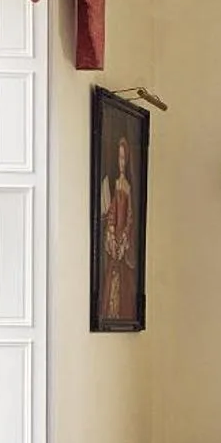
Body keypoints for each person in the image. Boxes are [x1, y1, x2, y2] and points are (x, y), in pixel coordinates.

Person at [100, 133, 136, 322]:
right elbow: (112, 213)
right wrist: (111, 234)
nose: (121, 162)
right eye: (119, 157)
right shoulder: (114, 184)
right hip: (114, 239)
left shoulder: (127, 187)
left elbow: (129, 217)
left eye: (124, 158)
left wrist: (122, 242)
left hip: (121, 243)